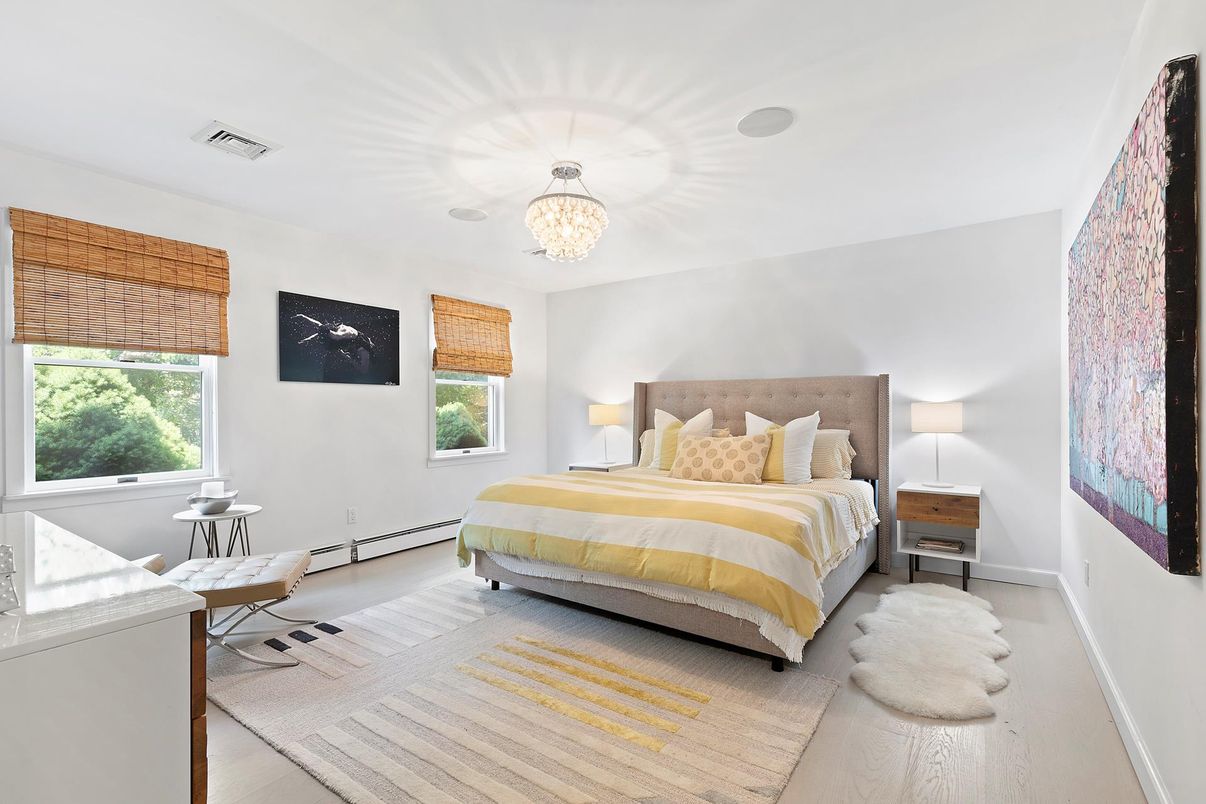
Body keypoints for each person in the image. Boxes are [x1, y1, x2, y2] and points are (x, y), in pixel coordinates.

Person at [293, 313, 375, 381]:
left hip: (363, 346)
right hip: (353, 340)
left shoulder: (362, 348)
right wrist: (303, 316)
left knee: (364, 369)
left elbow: (364, 371)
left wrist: (349, 359)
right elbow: (319, 326)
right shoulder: (336, 330)